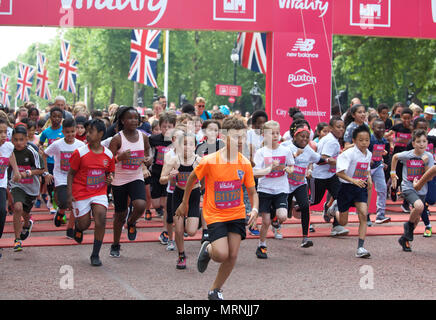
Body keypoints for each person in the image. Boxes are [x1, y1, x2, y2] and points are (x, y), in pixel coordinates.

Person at [175, 117, 259, 301]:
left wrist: (254, 209)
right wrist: (184, 202)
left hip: (236, 213)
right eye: (236, 137)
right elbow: (191, 179)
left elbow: (253, 192)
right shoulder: (210, 160)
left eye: (243, 137)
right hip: (215, 214)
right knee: (221, 254)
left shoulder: (244, 162)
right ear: (225, 137)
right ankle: (208, 250)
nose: (240, 141)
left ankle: (215, 290)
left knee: (233, 255)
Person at [67, 119, 115, 266]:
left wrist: (110, 178)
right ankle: (78, 228)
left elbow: (110, 172)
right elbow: (71, 173)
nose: (87, 134)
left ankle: (95, 254)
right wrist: (69, 194)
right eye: (86, 131)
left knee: (101, 218)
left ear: (100, 134)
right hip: (80, 192)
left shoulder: (108, 154)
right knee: (85, 224)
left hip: (99, 192)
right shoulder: (80, 153)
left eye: (91, 131)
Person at [109, 107, 151, 258]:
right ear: (122, 120)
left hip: (136, 176)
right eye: (130, 118)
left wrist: (148, 160)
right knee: (120, 214)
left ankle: (132, 222)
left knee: (141, 205)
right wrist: (119, 158)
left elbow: (147, 152)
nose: (134, 120)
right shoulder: (117, 139)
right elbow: (108, 161)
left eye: (136, 118)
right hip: (119, 180)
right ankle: (115, 244)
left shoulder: (143, 136)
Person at [328, 125, 373, 258]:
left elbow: (367, 168)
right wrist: (353, 180)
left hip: (360, 188)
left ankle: (360, 247)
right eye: (361, 140)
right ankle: (333, 209)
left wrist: (369, 178)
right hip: (346, 188)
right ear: (354, 140)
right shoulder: (348, 154)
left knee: (364, 214)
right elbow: (339, 173)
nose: (364, 143)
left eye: (367, 140)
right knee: (343, 222)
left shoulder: (368, 154)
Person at [160, 125, 201, 269]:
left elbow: (210, 179)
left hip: (194, 195)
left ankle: (198, 217)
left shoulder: (199, 161)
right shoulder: (173, 160)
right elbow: (161, 179)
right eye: (184, 144)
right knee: (178, 230)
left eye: (190, 144)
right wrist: (169, 176)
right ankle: (181, 255)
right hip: (178, 194)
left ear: (195, 146)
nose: (187, 147)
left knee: (191, 231)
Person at [282, 120, 327, 247]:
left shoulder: (308, 150)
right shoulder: (285, 147)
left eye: (307, 137)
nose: (305, 139)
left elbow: (319, 159)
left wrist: (330, 160)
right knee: (282, 214)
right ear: (295, 136)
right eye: (302, 136)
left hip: (300, 184)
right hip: (285, 184)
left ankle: (305, 238)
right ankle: (276, 221)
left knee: (305, 206)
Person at [253, 121, 294, 258]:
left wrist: (289, 169)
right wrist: (270, 168)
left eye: (277, 133)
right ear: (264, 135)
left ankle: (276, 219)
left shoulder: (286, 150)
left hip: (281, 189)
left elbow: (291, 165)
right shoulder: (260, 152)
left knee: (282, 216)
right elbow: (256, 173)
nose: (275, 136)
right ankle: (262, 246)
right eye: (272, 133)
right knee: (265, 222)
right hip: (265, 189)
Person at [392, 129, 433, 252]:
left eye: (424, 141)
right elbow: (394, 157)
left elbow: (430, 176)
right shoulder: (408, 155)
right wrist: (393, 174)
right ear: (414, 143)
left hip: (422, 190)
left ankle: (405, 239)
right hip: (408, 187)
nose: (421, 144)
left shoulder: (429, 156)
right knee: (419, 206)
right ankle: (407, 226)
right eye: (419, 141)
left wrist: (424, 163)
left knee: (416, 219)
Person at [43, 119, 85, 238]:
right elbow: (44, 155)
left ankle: (70, 228)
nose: (70, 135)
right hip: (61, 176)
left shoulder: (80, 145)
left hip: (75, 178)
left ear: (76, 130)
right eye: (67, 132)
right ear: (63, 132)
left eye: (72, 131)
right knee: (64, 201)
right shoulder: (57, 144)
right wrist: (46, 172)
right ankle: (60, 212)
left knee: (75, 203)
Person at [310, 117, 349, 236]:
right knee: (314, 200)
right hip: (320, 176)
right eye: (338, 127)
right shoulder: (331, 141)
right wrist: (335, 161)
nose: (341, 129)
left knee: (341, 197)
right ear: (331, 128)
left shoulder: (331, 139)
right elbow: (321, 159)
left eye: (343, 127)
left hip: (331, 175)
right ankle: (294, 206)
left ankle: (337, 226)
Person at [10, 125, 45, 252]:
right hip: (17, 185)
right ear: (12, 139)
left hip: (31, 187)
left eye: (21, 140)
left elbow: (41, 169)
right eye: (15, 140)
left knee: (25, 212)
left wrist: (27, 173)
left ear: (26, 139)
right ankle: (17, 240)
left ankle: (27, 223)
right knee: (17, 207)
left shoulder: (31, 150)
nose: (18, 143)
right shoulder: (9, 150)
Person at [149, 112, 177, 245]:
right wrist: (147, 160)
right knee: (156, 204)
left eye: (170, 126)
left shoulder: (176, 140)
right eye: (164, 127)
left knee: (166, 205)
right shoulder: (154, 139)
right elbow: (146, 149)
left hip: (168, 176)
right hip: (155, 174)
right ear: (160, 127)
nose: (167, 129)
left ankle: (165, 230)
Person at [406, 117, 436, 237]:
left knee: (431, 200)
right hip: (416, 177)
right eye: (419, 128)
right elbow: (401, 161)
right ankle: (427, 225)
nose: (422, 131)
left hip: (430, 174)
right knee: (421, 204)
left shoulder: (432, 139)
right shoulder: (410, 145)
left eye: (424, 128)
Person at [0, 119, 21, 258]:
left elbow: (11, 155)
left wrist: (16, 170)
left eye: (4, 132)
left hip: (1, 184)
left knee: (2, 211)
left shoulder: (8, 146)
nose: (3, 135)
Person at [387, 107, 413, 210]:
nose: (406, 121)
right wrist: (392, 140)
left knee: (408, 179)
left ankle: (406, 203)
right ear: (401, 117)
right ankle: (393, 189)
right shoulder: (397, 127)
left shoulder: (413, 129)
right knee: (398, 177)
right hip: (397, 155)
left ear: (411, 118)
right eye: (404, 118)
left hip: (409, 156)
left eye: (408, 118)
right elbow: (387, 135)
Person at [39, 107, 64, 214]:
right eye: (54, 116)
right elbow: (40, 144)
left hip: (61, 162)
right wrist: (41, 149)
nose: (56, 119)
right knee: (49, 184)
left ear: (62, 118)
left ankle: (58, 204)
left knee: (59, 185)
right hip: (49, 161)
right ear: (50, 117)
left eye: (59, 116)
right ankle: (52, 201)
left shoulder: (64, 131)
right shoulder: (46, 132)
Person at [369, 118, 391, 224]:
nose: (382, 130)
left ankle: (380, 215)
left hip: (378, 167)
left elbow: (385, 153)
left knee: (382, 189)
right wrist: (368, 160)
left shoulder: (384, 141)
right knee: (364, 191)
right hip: (366, 169)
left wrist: (384, 162)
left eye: (383, 128)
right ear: (373, 128)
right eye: (379, 128)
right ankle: (365, 215)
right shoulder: (369, 140)